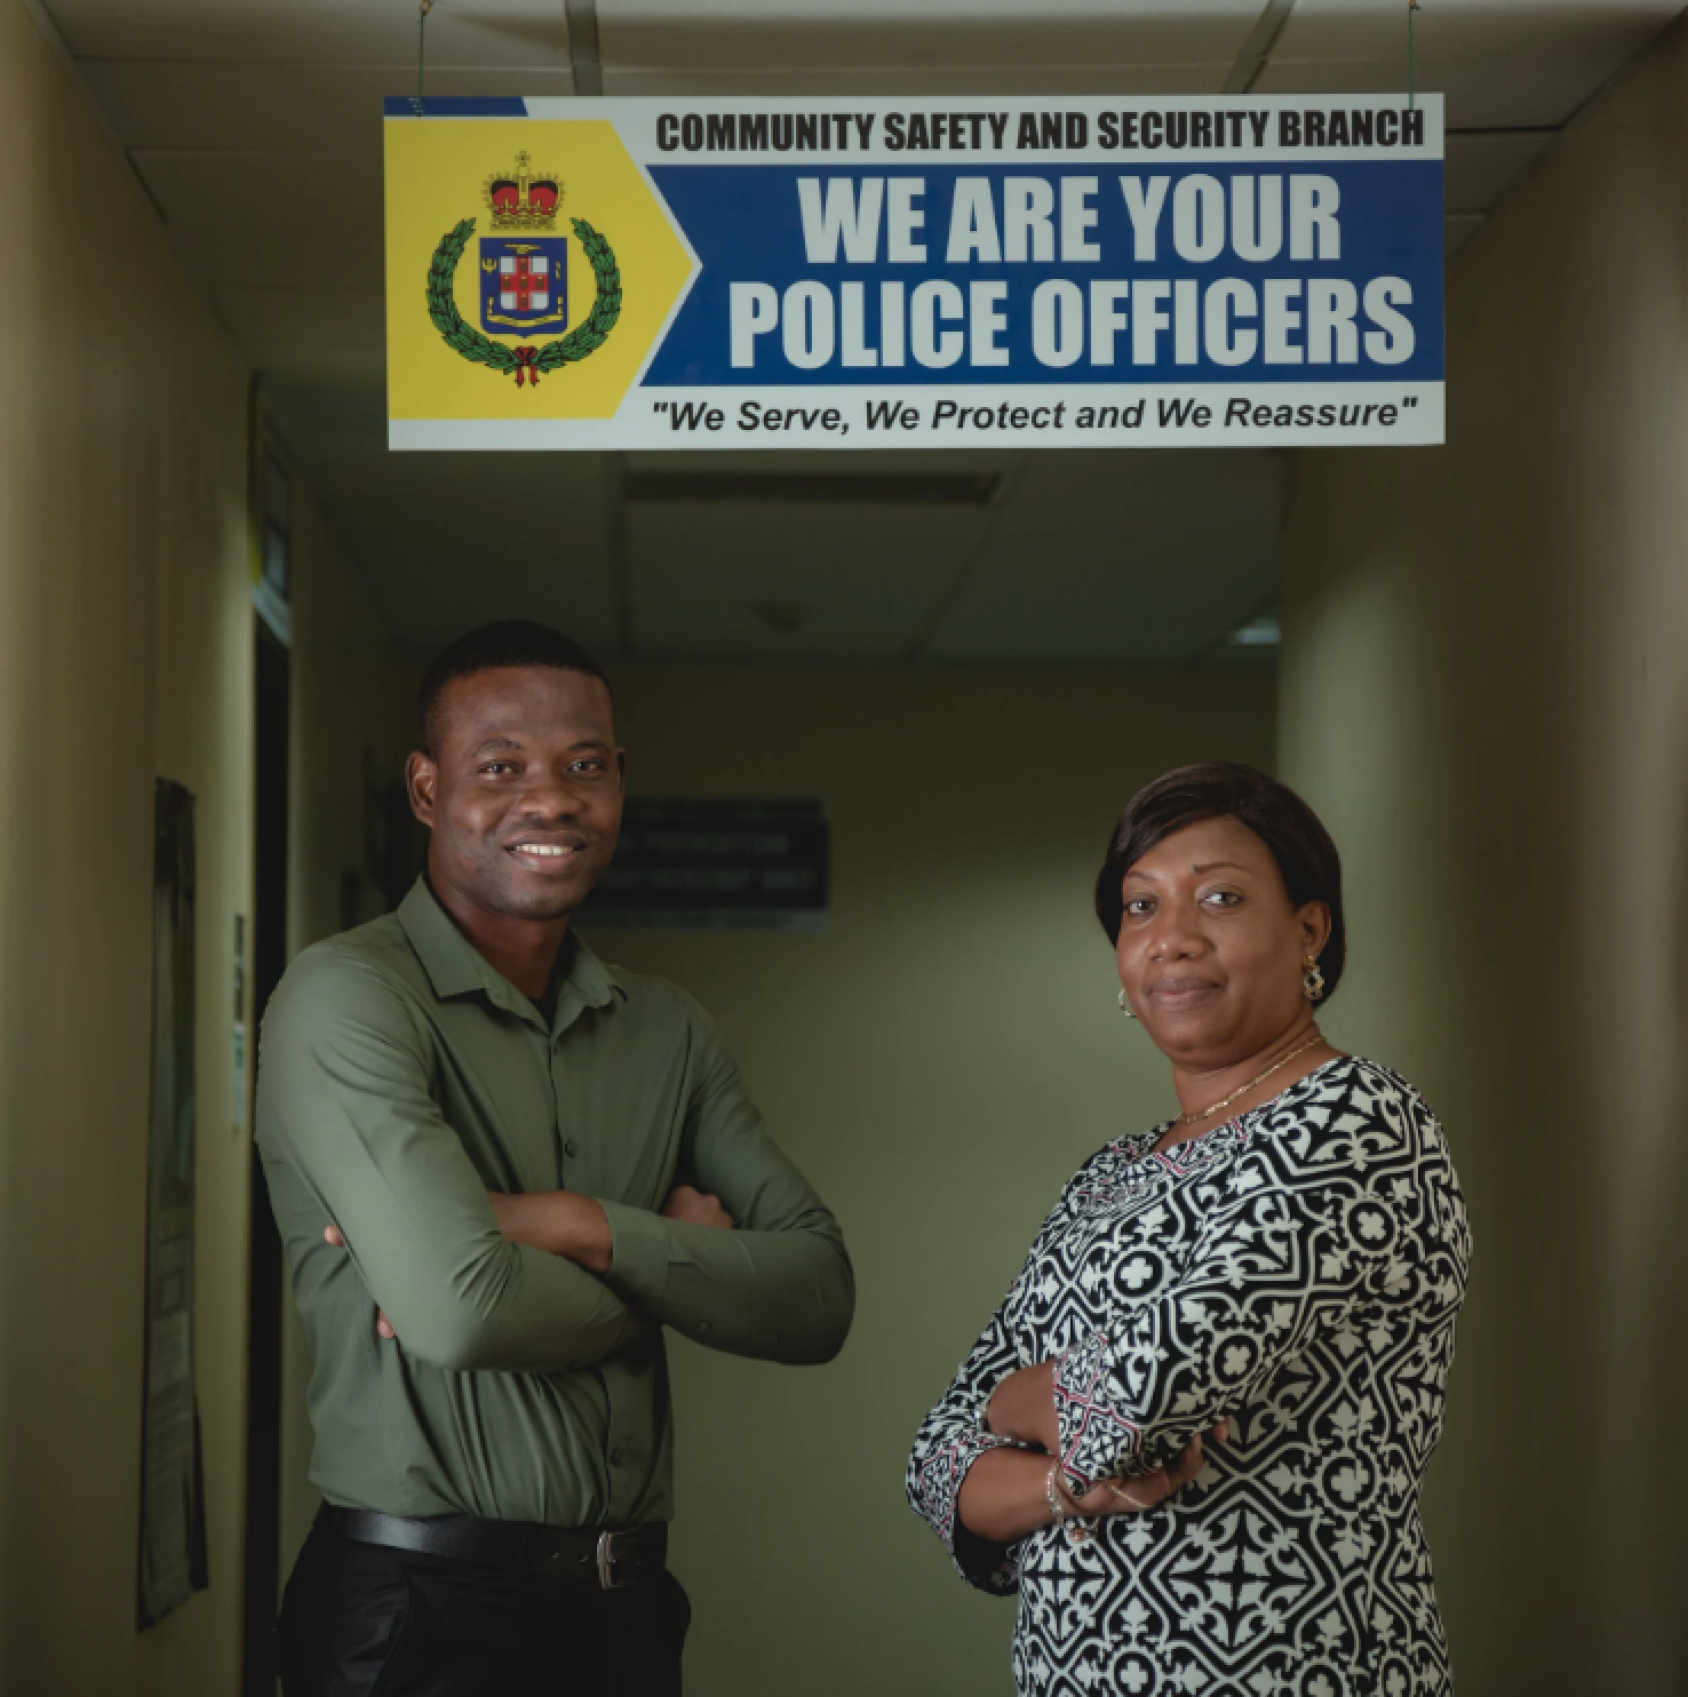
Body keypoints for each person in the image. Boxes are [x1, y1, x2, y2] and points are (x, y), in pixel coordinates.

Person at [258, 620, 854, 1696]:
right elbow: (461, 1309)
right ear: (428, 788)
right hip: (414, 1618)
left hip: (626, 1612)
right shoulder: (345, 998)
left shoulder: (666, 1029)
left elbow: (817, 1295)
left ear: (619, 779)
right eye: (500, 767)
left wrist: (572, 1224)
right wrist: (673, 1272)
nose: (549, 799)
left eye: (583, 765)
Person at [907, 761, 1470, 1696]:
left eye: (1219, 897)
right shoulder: (1110, 1173)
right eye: (1139, 907)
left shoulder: (1356, 1118)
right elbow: (936, 1459)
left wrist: (1021, 1404)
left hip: (1296, 1667)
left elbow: (1141, 1396)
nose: (1171, 939)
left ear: (1308, 930)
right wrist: (1057, 1478)